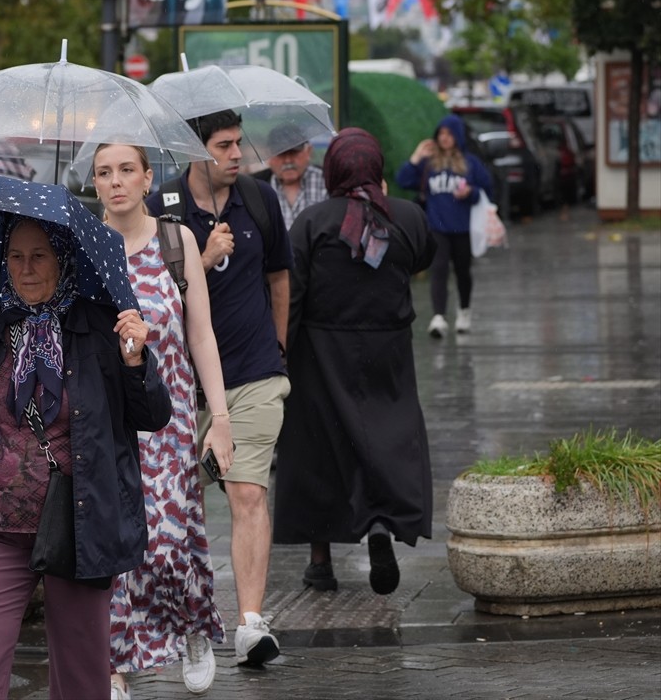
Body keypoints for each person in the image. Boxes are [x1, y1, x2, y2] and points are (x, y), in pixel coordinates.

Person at [0, 218, 171, 700]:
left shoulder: (101, 324)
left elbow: (152, 415)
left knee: (83, 673)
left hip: (78, 524)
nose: (25, 269)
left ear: (63, 258)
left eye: (39, 256)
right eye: (15, 257)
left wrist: (135, 361)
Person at [146, 109, 293, 669]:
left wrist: (277, 348)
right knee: (177, 509)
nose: (237, 155)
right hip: (182, 386)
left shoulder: (258, 200)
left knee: (248, 492)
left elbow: (280, 276)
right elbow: (151, 299)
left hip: (254, 374)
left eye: (239, 144)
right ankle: (187, 623)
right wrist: (199, 262)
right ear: (196, 151)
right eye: (225, 145)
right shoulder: (162, 209)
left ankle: (251, 624)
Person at [93, 143, 232, 698]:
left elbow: (200, 334)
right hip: (108, 424)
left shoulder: (177, 241)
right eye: (104, 173)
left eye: (127, 170)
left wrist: (218, 418)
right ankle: (113, 665)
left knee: (171, 541)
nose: (116, 181)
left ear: (148, 177)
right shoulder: (86, 246)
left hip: (170, 423)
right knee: (115, 547)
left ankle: (193, 628)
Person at [274, 128, 437, 595]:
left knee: (319, 450)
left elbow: (294, 290)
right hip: (389, 352)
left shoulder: (312, 220)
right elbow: (424, 255)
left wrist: (281, 351)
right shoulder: (406, 216)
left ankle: (320, 561)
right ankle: (381, 523)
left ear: (334, 169)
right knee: (387, 439)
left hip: (322, 353)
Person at [396, 114, 493, 338]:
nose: (445, 138)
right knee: (438, 270)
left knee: (462, 273)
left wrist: (471, 192)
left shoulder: (470, 164)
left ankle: (464, 311)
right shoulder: (429, 164)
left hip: (463, 229)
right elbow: (403, 180)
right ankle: (439, 317)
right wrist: (416, 156)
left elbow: (487, 191)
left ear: (457, 136)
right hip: (437, 227)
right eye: (441, 134)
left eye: (449, 134)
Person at [263, 125, 329, 231]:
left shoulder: (326, 182)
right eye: (281, 154)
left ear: (308, 151)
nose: (288, 160)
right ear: (269, 156)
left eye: (294, 153)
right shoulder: (258, 189)